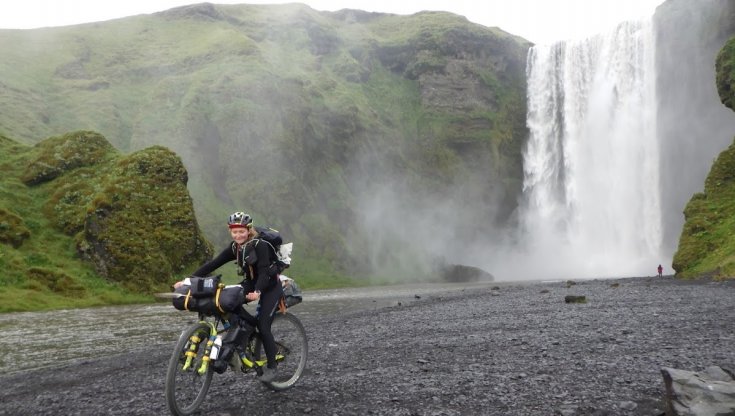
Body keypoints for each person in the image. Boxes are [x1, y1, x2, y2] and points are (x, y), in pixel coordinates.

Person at [174, 211, 284, 382]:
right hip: (250, 282)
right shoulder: (235, 247)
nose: (238, 235)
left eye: (241, 231)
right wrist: (188, 280)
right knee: (227, 301)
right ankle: (245, 332)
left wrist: (258, 292)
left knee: (263, 326)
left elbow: (263, 273)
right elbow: (213, 264)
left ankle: (272, 366)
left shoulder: (259, 245)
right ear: (230, 231)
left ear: (249, 230)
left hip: (270, 286)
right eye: (234, 231)